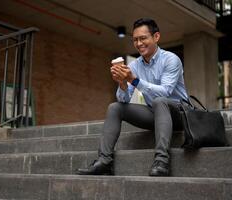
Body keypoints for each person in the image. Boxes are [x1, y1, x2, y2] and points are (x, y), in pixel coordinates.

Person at [77, 18, 189, 176]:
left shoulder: (171, 59)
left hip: (179, 114)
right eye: (135, 40)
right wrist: (122, 83)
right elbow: (123, 100)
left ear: (156, 37)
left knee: (159, 101)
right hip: (155, 115)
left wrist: (134, 80)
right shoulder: (134, 65)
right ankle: (104, 161)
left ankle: (162, 161)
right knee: (115, 107)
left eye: (143, 38)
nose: (139, 43)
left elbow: (165, 92)